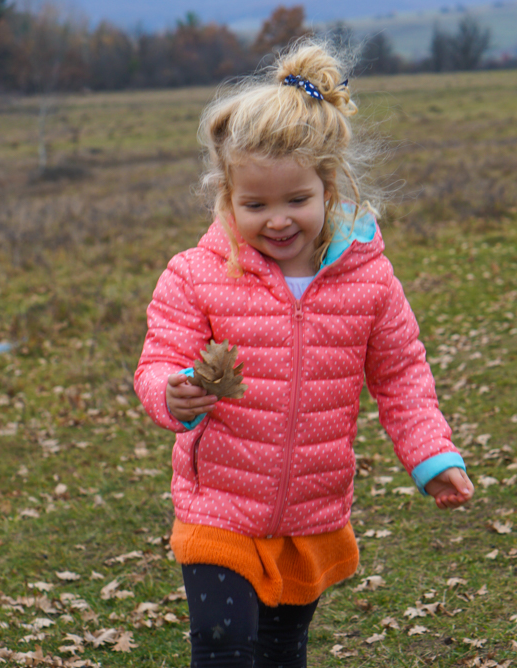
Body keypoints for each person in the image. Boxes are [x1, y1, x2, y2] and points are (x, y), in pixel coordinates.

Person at [134, 39, 474, 668]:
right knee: (223, 648)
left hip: (310, 510)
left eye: (296, 200)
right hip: (219, 507)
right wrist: (173, 392)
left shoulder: (369, 280)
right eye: (254, 205)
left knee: (281, 648)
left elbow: (401, 374)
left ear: (329, 185)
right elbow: (158, 363)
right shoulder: (195, 275)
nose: (278, 220)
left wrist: (431, 455)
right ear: (226, 198)